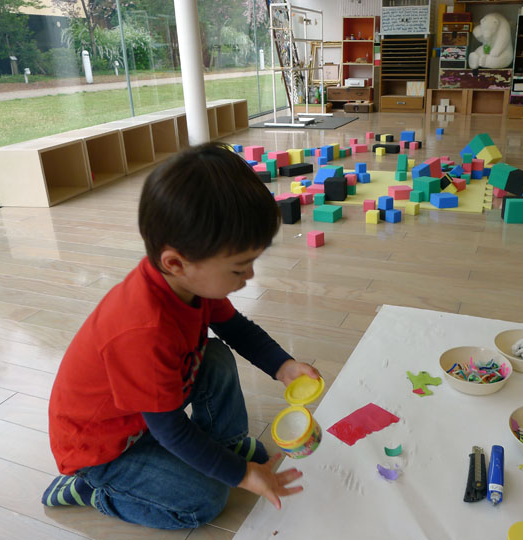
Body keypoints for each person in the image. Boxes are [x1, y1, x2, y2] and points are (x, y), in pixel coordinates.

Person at [41, 142, 320, 529]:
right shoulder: (143, 329)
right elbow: (170, 428)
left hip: (145, 411)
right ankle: (93, 491)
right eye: (240, 268)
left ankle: (225, 445)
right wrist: (244, 476)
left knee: (217, 355)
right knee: (204, 501)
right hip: (103, 450)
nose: (250, 276)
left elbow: (236, 328)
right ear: (176, 262)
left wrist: (283, 366)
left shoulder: (186, 282)